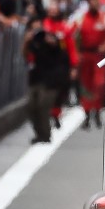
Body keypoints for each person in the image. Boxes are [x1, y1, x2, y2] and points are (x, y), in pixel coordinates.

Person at [24, 16, 70, 144]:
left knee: (43, 106)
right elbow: (25, 56)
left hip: (51, 80)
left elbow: (62, 52)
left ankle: (45, 134)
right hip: (36, 79)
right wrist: (27, 41)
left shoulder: (51, 36)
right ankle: (39, 133)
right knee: (31, 107)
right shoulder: (33, 41)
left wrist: (52, 42)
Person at [74, 0, 105, 129]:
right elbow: (75, 36)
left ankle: (98, 110)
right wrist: (77, 54)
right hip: (85, 55)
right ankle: (87, 113)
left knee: (99, 84)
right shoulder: (81, 18)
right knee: (86, 84)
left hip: (99, 57)